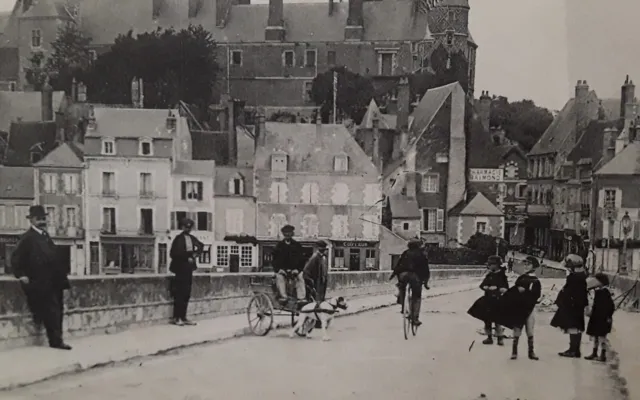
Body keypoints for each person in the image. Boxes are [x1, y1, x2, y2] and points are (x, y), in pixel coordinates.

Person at [11, 205, 72, 350]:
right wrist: (21, 275)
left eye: (43, 218)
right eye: (38, 219)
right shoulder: (27, 238)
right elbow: (15, 259)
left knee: (58, 310)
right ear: (31, 220)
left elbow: (54, 258)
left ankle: (58, 339)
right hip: (41, 282)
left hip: (54, 281)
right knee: (51, 311)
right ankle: (55, 341)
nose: (42, 221)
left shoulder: (45, 236)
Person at [495, 256, 542, 360]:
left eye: (528, 264)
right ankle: (514, 351)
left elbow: (536, 296)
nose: (525, 266)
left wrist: (525, 292)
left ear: (534, 267)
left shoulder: (535, 281)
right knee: (517, 330)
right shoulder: (521, 278)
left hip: (529, 309)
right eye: (525, 264)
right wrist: (508, 292)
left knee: (530, 330)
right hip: (518, 309)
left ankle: (531, 351)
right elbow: (514, 291)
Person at [550, 253, 589, 358]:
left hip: (573, 306)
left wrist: (563, 301)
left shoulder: (575, 278)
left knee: (573, 327)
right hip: (576, 306)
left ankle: (573, 350)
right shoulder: (580, 276)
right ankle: (575, 350)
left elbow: (571, 292)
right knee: (575, 328)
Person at [169, 218, 204, 326]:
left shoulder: (193, 238)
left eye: (189, 227)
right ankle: (176, 317)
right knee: (179, 293)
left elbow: (201, 246)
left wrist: (195, 255)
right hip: (180, 269)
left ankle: (183, 317)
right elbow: (173, 254)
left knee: (186, 293)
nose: (188, 229)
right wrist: (186, 258)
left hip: (188, 269)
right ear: (182, 227)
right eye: (186, 227)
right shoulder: (178, 239)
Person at [467, 255, 509, 346]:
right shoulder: (489, 275)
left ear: (497, 265)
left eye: (490, 264)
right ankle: (489, 337)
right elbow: (482, 285)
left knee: (498, 321)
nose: (489, 266)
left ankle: (500, 338)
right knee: (487, 320)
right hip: (488, 300)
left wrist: (497, 288)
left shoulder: (502, 276)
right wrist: (485, 287)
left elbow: (505, 288)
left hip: (498, 300)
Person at [390, 239, 430, 326]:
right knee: (416, 296)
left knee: (402, 287)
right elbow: (426, 270)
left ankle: (403, 305)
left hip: (403, 274)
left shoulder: (405, 253)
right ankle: (415, 318)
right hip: (415, 276)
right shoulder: (422, 254)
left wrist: (394, 276)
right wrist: (426, 283)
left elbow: (398, 266)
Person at [584, 273, 615, 362]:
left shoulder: (605, 293)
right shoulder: (599, 292)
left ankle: (602, 354)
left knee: (602, 337)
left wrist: (608, 316)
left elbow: (610, 306)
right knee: (595, 336)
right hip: (596, 317)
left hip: (603, 318)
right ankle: (594, 353)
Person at [272, 225, 306, 303]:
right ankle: (284, 297)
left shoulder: (297, 245)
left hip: (294, 270)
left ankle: (301, 298)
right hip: (282, 270)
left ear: (292, 234)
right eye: (285, 233)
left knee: (300, 277)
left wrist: (298, 269)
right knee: (280, 277)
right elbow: (274, 261)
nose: (287, 235)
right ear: (283, 234)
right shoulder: (278, 246)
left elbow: (302, 260)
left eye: (289, 233)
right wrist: (279, 269)